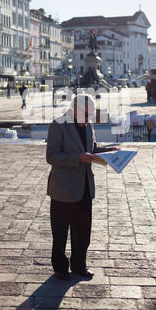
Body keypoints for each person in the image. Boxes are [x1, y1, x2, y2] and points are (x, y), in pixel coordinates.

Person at [46, 94, 119, 281]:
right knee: (60, 232)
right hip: (63, 188)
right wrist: (77, 159)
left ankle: (79, 265)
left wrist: (110, 152)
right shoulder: (58, 124)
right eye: (86, 114)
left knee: (83, 232)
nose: (88, 119)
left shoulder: (87, 125)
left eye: (91, 115)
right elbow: (52, 156)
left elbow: (91, 148)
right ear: (74, 110)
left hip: (84, 185)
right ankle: (60, 268)